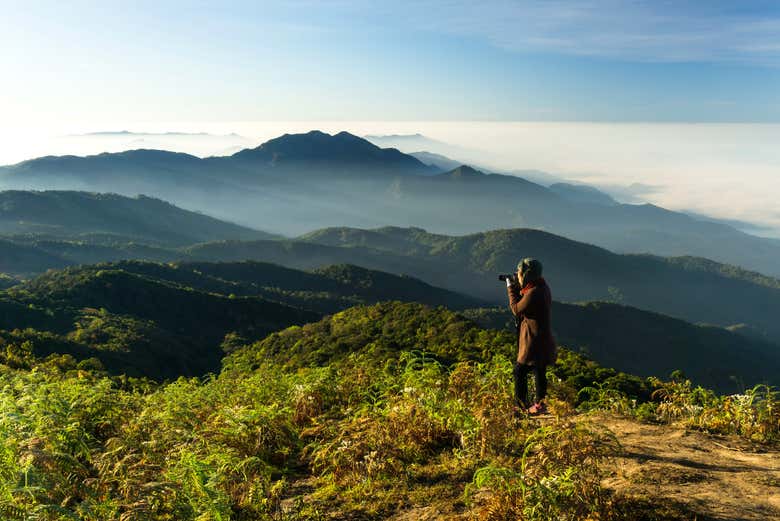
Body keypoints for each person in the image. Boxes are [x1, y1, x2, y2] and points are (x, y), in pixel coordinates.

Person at [506, 258, 557, 415]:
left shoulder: (534, 292)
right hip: (543, 338)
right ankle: (539, 404)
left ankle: (520, 406)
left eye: (520, 274)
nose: (518, 276)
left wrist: (510, 288)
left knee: (520, 371)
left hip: (533, 341)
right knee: (539, 370)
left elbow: (516, 309)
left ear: (527, 275)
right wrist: (519, 286)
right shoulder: (542, 287)